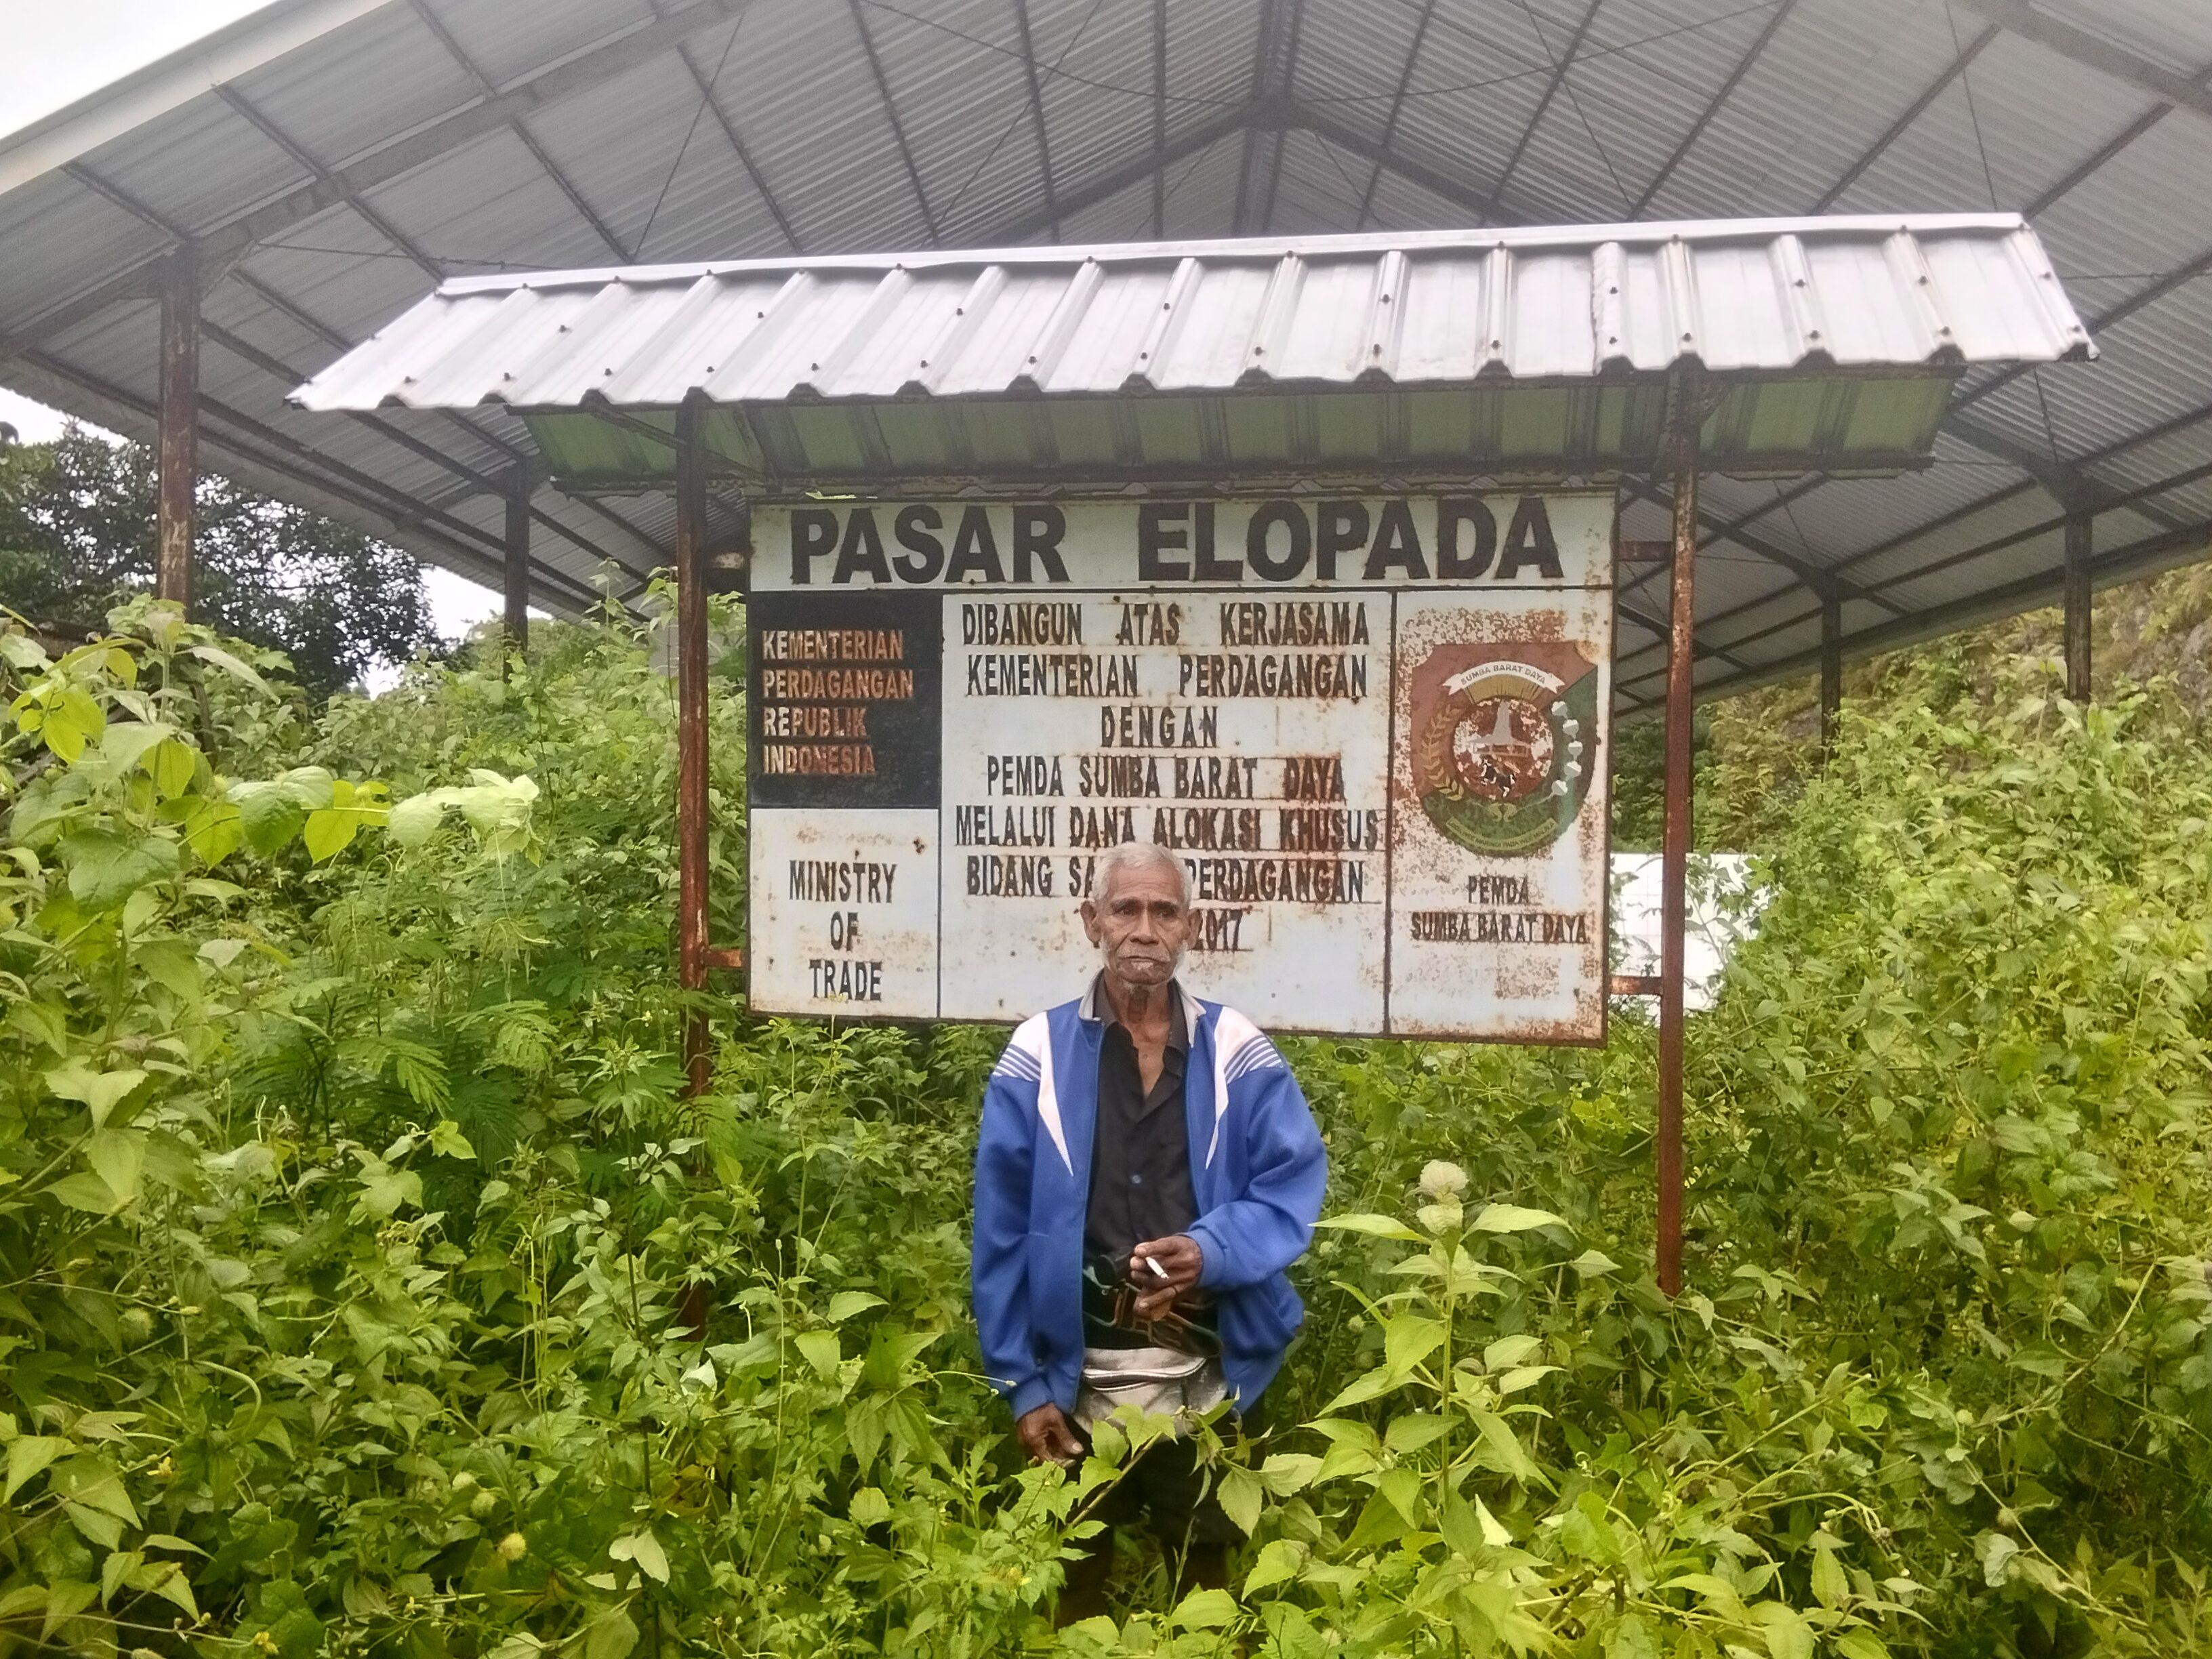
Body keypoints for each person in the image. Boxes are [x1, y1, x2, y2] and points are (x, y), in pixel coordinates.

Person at [970, 841, 1328, 1622]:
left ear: (1190, 928)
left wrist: (1210, 1251)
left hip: (1207, 1379)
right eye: (1126, 909)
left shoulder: (1236, 1050)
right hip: (1074, 1383)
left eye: (1164, 911)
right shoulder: (1036, 1054)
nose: (1144, 928)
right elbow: (998, 1233)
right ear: (1090, 921)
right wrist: (1022, 1386)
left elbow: (1290, 1184)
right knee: (1072, 1590)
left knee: (1207, 1586)